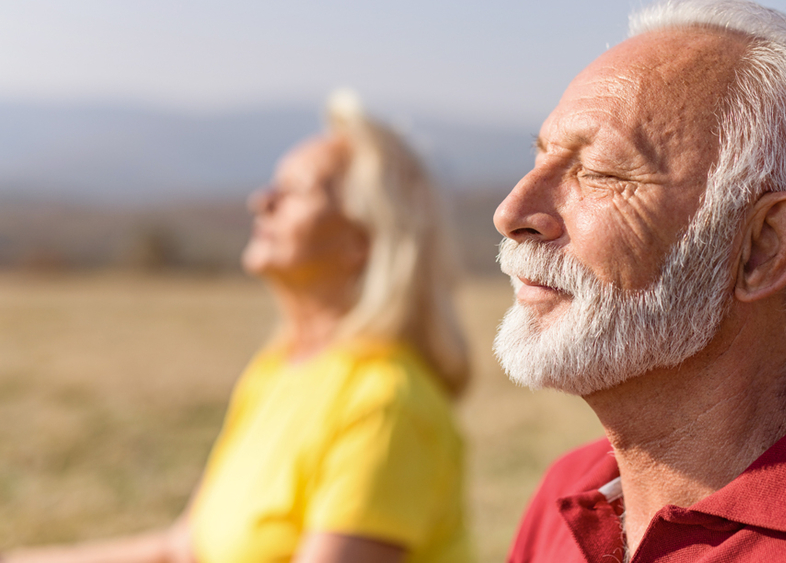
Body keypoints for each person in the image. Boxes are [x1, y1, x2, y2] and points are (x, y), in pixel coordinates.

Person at [492, 0, 786, 562]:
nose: (511, 213)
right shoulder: (572, 490)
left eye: (601, 172)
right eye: (540, 160)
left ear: (762, 246)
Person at [8, 89, 472, 563]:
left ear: (363, 238)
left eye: (295, 191)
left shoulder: (386, 407)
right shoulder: (279, 369)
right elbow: (182, 550)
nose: (261, 200)